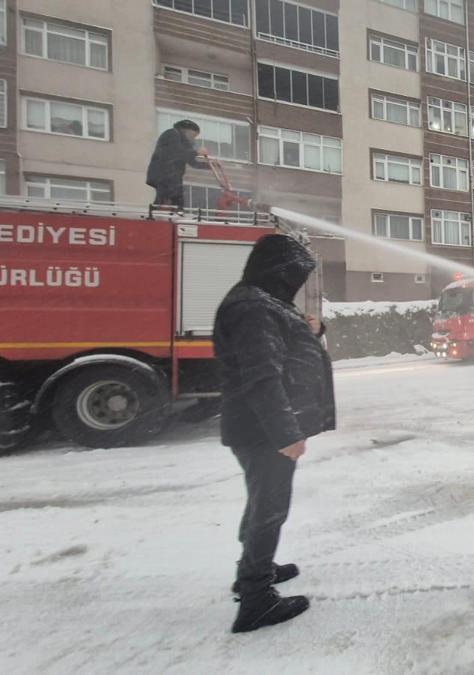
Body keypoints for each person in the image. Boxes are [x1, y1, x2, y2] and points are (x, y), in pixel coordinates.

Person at [213, 233, 335, 634]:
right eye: (294, 274)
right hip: (263, 430)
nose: (297, 282)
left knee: (262, 502)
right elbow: (263, 375)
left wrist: (311, 331)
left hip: (257, 427)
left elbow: (283, 351)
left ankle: (255, 567)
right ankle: (255, 598)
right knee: (270, 507)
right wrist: (285, 433)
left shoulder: (262, 303)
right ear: (278, 271)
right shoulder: (253, 308)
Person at [146, 119, 209, 208]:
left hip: (173, 176)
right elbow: (177, 153)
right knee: (170, 198)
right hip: (164, 174)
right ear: (187, 130)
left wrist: (210, 166)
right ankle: (159, 211)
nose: (193, 138)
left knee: (173, 199)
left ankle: (161, 210)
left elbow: (192, 162)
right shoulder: (172, 134)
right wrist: (197, 152)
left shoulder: (184, 142)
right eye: (193, 135)